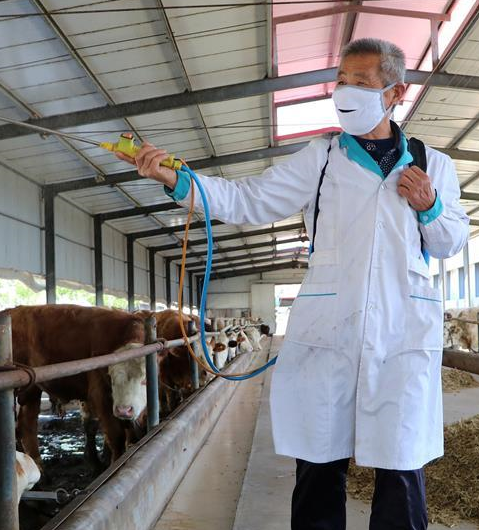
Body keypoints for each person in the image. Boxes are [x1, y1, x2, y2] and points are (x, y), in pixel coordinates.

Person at [116, 38, 469, 530]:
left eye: (361, 82)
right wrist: (179, 180)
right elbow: (249, 199)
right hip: (328, 338)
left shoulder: (433, 165)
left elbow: (452, 242)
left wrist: (430, 205)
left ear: (395, 93)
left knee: (402, 471)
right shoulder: (321, 158)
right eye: (341, 80)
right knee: (318, 467)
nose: (345, 91)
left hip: (400, 339)